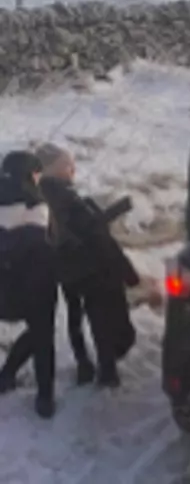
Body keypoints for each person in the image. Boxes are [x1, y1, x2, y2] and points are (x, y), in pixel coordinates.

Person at [35, 143, 140, 389]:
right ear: (52, 168)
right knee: (106, 320)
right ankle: (106, 368)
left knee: (81, 316)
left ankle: (89, 365)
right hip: (93, 268)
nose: (73, 168)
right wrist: (126, 271)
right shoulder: (64, 196)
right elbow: (95, 234)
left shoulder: (44, 195)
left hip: (68, 270)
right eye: (67, 164)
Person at [0, 150, 59, 417]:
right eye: (36, 173)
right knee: (42, 335)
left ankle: (7, 375)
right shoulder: (38, 208)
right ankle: (44, 397)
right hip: (33, 287)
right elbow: (42, 247)